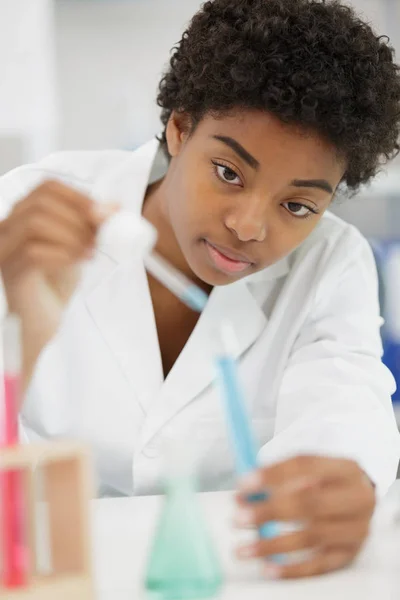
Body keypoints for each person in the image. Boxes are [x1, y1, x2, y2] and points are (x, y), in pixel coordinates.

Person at [1, 0, 400, 579]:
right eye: (228, 173)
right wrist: (22, 323)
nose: (248, 226)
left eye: (297, 205)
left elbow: (345, 400)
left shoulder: (330, 263)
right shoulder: (28, 210)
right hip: (54, 567)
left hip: (227, 569)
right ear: (181, 128)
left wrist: (340, 476)